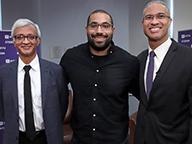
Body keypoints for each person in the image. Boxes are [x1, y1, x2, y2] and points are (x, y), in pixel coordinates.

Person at [60, 9, 139, 144]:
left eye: (105, 26)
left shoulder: (128, 62)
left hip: (116, 140)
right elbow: (57, 93)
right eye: (94, 25)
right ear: (86, 29)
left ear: (113, 29)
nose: (99, 31)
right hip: (80, 140)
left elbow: (145, 99)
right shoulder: (71, 58)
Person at [0, 18, 68, 144]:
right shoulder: (3, 73)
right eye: (20, 37)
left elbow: (62, 105)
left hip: (47, 137)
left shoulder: (55, 71)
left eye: (31, 37)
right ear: (14, 42)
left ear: (38, 41)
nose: (25, 41)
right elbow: (3, 109)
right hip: (16, 138)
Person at [136, 1, 192, 144]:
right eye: (149, 17)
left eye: (160, 16)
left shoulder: (188, 57)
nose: (154, 21)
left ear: (169, 21)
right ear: (142, 23)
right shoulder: (139, 60)